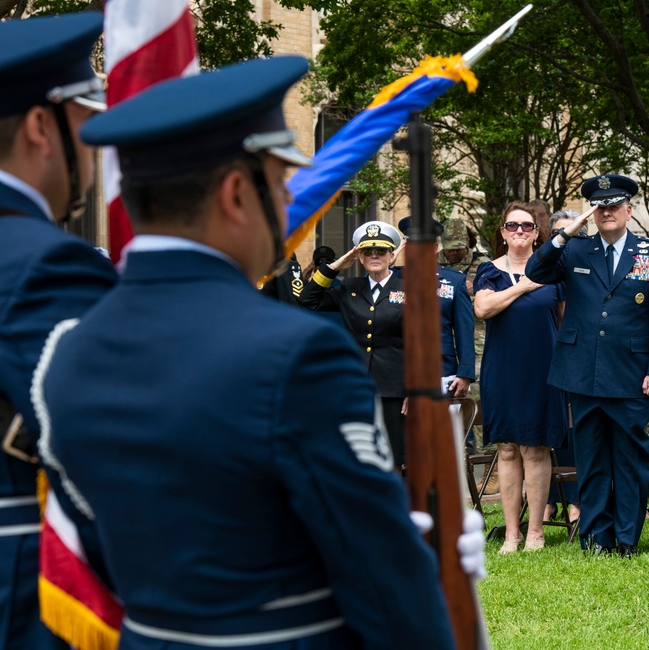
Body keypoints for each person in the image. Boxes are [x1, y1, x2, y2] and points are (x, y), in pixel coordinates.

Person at [33, 56, 465, 649]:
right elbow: (379, 569)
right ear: (238, 192)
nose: (293, 201)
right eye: (283, 182)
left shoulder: (70, 348)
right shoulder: (297, 354)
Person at [0, 12, 117, 649]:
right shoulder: (45, 262)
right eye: (87, 115)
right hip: (20, 594)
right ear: (43, 127)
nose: (98, 142)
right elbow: (107, 447)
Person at [526, 174, 649, 558]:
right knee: (590, 459)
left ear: (629, 210)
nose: (607, 212)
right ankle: (596, 537)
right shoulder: (576, 250)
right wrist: (565, 232)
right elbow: (535, 272)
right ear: (593, 213)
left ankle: (626, 537)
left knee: (629, 458)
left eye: (614, 206)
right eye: (600, 207)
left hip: (631, 372)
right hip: (582, 371)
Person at [474, 202, 567, 554]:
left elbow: (564, 319)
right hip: (503, 370)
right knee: (508, 449)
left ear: (536, 233)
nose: (519, 232)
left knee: (535, 448)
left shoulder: (555, 272)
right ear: (502, 232)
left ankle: (536, 532)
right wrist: (524, 286)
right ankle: (512, 532)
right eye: (512, 226)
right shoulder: (489, 271)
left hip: (543, 368)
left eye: (527, 227)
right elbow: (483, 308)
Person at [299, 221, 410, 466]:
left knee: (391, 459)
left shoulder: (408, 290)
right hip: (356, 387)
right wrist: (336, 266)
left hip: (394, 389)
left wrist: (414, 388)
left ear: (392, 255)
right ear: (358, 257)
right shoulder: (350, 287)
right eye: (367, 251)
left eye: (380, 251)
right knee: (356, 456)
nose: (374, 256)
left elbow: (420, 343)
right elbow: (307, 299)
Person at [396, 216, 476, 400]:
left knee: (448, 427)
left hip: (441, 368)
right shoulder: (393, 277)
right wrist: (389, 261)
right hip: (400, 367)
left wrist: (465, 372)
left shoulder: (454, 281)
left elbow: (464, 329)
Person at [542, 209, 586, 523]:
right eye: (560, 232)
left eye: (574, 233)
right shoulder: (549, 270)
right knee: (554, 430)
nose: (568, 238)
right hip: (551, 358)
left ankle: (576, 501)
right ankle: (550, 500)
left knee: (576, 430)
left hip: (584, 358)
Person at [438, 218, 489, 294]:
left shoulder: (483, 264)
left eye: (458, 248)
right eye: (449, 249)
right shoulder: (429, 263)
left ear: (467, 241)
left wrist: (476, 288)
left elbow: (495, 294)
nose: (454, 252)